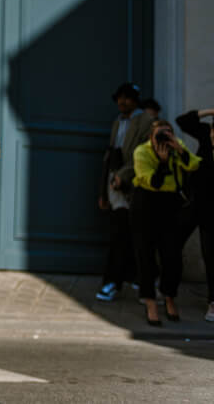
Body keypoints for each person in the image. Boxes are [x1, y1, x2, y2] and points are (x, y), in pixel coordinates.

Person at [131, 120, 201, 325]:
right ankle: (150, 301)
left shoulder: (176, 146)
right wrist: (162, 162)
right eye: (159, 135)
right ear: (150, 138)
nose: (164, 138)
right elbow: (152, 182)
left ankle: (169, 296)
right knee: (145, 255)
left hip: (170, 206)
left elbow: (194, 164)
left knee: (172, 256)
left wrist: (178, 148)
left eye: (168, 134)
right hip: (145, 203)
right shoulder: (141, 152)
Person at [96, 82, 153, 302]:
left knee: (133, 236)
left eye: (127, 97)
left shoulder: (145, 121)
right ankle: (120, 280)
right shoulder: (117, 122)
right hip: (115, 185)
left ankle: (118, 281)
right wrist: (104, 189)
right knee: (120, 233)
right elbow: (110, 155)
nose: (122, 101)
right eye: (120, 97)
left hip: (136, 185)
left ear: (135, 99)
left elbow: (143, 154)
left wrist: (125, 175)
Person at [175, 108, 214, 322]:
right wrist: (210, 111)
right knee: (172, 242)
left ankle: (212, 302)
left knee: (211, 257)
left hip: (211, 213)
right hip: (193, 205)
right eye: (213, 132)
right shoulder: (205, 135)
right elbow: (182, 120)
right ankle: (167, 290)